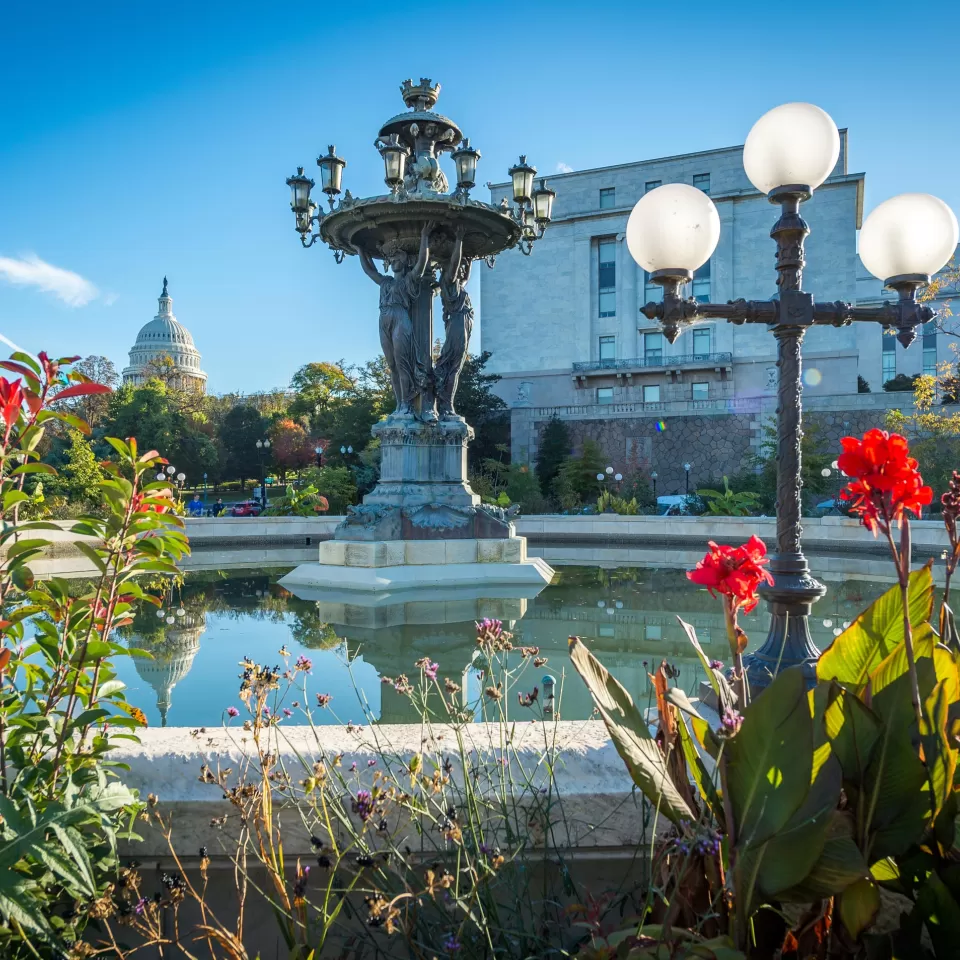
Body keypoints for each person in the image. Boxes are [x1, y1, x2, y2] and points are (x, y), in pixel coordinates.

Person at [358, 221, 435, 421]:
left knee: (403, 364)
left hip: (401, 318)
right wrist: (359, 248)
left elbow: (422, 263)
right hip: (383, 319)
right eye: (392, 258)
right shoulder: (386, 282)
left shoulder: (409, 280)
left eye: (398, 257)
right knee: (391, 365)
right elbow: (369, 270)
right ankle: (400, 404)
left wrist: (425, 237)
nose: (393, 260)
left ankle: (408, 405)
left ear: (405, 261)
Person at [435, 222, 473, 421]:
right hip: (458, 324)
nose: (460, 270)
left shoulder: (457, 284)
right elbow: (457, 265)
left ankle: (447, 403)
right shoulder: (447, 281)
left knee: (455, 368)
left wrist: (472, 258)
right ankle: (445, 403)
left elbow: (465, 276)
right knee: (452, 366)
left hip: (463, 322)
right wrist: (459, 240)